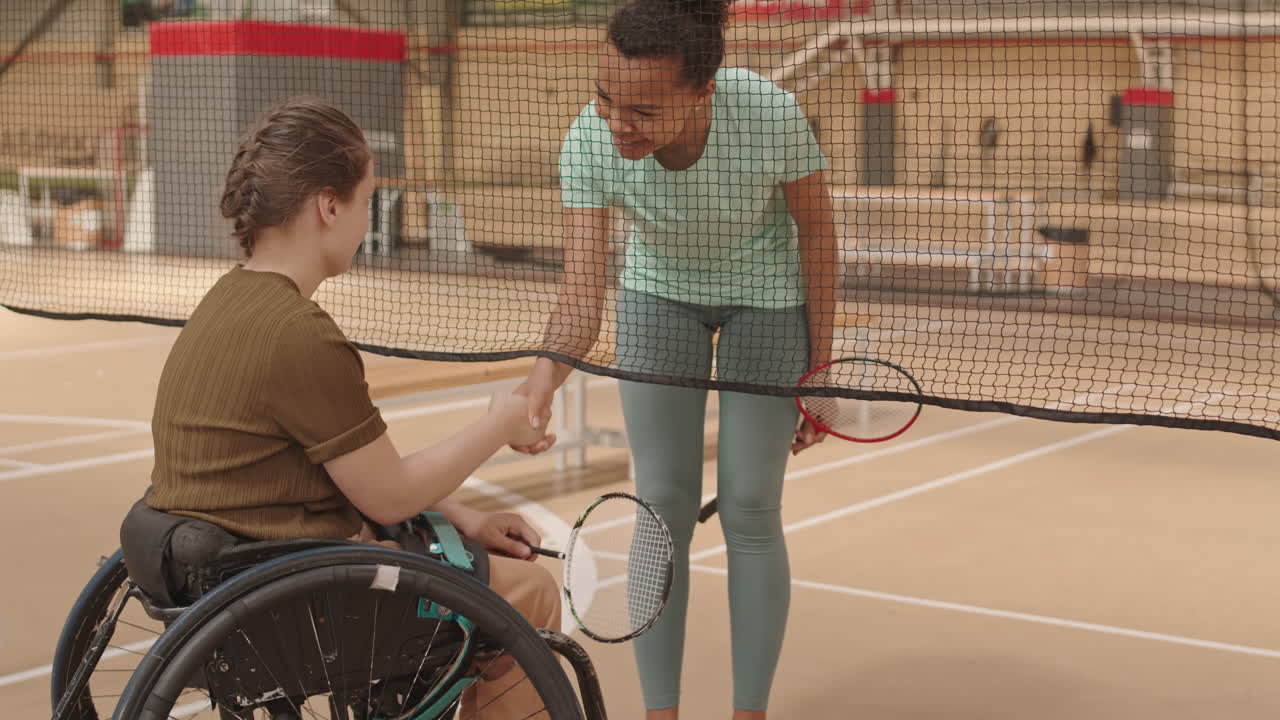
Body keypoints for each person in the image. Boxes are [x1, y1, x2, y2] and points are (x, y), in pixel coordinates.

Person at [142, 97, 558, 720]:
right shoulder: (298, 332)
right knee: (530, 595)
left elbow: (344, 473)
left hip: (224, 580)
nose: (366, 222)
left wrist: (465, 517)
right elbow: (388, 497)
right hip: (294, 603)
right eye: (366, 202)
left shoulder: (225, 302)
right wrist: (497, 425)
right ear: (329, 206)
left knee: (459, 558)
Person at [510, 0, 839, 717]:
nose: (617, 120)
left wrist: (821, 372)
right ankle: (662, 712)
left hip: (767, 296)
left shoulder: (771, 115)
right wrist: (539, 384)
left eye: (644, 110)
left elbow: (816, 234)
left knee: (752, 506)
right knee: (662, 508)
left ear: (702, 93)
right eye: (605, 96)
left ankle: (747, 711)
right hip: (660, 294)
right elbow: (578, 296)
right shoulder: (589, 142)